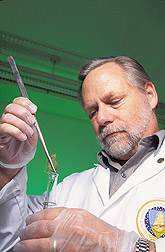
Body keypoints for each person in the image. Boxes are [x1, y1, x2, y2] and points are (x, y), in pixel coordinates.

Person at [0, 56, 164, 252]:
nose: (102, 118)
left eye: (114, 101)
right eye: (93, 111)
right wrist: (8, 168)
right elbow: (13, 243)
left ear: (149, 95)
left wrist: (125, 246)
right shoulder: (69, 188)